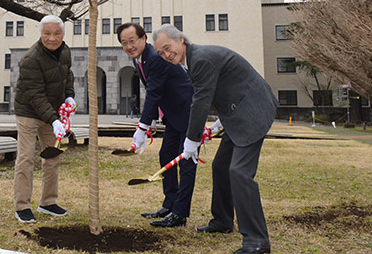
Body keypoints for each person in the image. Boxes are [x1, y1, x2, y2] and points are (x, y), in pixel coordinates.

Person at [153, 24, 276, 254]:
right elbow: (224, 89)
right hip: (237, 111)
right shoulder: (192, 61)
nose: (166, 55)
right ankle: (222, 221)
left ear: (181, 40)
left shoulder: (200, 59)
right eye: (161, 53)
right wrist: (218, 124)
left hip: (253, 112)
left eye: (168, 48)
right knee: (221, 166)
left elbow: (200, 102)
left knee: (239, 172)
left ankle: (257, 241)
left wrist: (191, 141)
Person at [116, 22, 196, 228]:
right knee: (166, 156)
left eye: (132, 41)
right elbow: (154, 91)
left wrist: (142, 127)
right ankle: (169, 204)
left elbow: (153, 92)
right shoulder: (139, 59)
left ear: (143, 39)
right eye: (124, 43)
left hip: (186, 111)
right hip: (172, 114)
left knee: (186, 161)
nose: (129, 46)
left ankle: (179, 214)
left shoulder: (154, 58)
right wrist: (149, 121)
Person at [13, 15, 75, 224]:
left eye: (57, 33)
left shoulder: (65, 51)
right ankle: (22, 206)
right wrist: (55, 120)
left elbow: (68, 76)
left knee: (52, 156)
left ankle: (48, 202)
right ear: (41, 34)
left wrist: (69, 96)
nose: (52, 38)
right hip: (29, 112)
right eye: (47, 33)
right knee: (26, 158)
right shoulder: (31, 58)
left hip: (52, 113)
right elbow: (36, 95)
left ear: (63, 34)